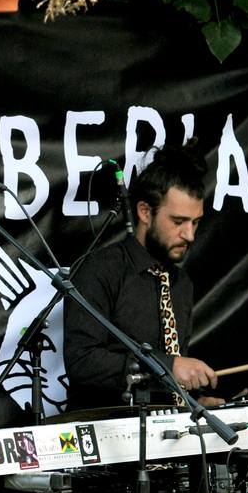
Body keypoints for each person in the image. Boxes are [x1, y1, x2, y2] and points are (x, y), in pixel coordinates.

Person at [64, 142, 219, 410]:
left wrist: (192, 404)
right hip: (108, 431)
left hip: (164, 433)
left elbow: (167, 382)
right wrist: (168, 366)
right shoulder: (100, 270)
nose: (190, 235)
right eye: (178, 221)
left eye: (195, 223)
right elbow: (82, 360)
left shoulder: (181, 284)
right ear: (145, 212)